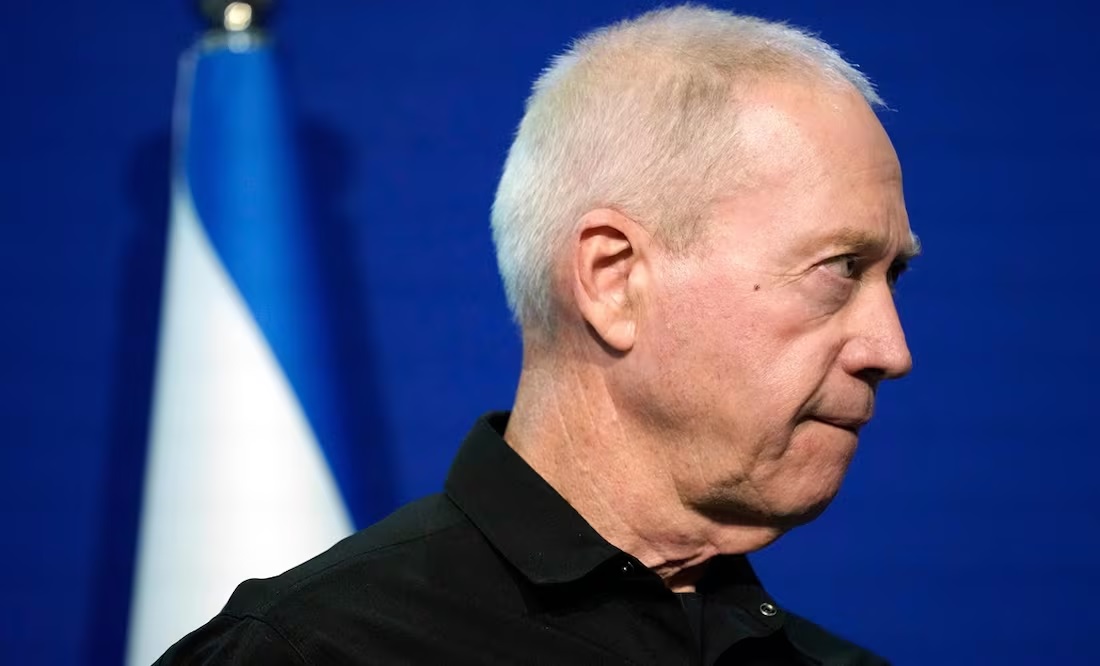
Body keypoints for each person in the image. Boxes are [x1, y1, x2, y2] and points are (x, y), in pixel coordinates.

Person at [157, 5, 918, 664]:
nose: (892, 350)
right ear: (614, 279)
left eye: (895, 277)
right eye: (841, 267)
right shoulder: (308, 653)